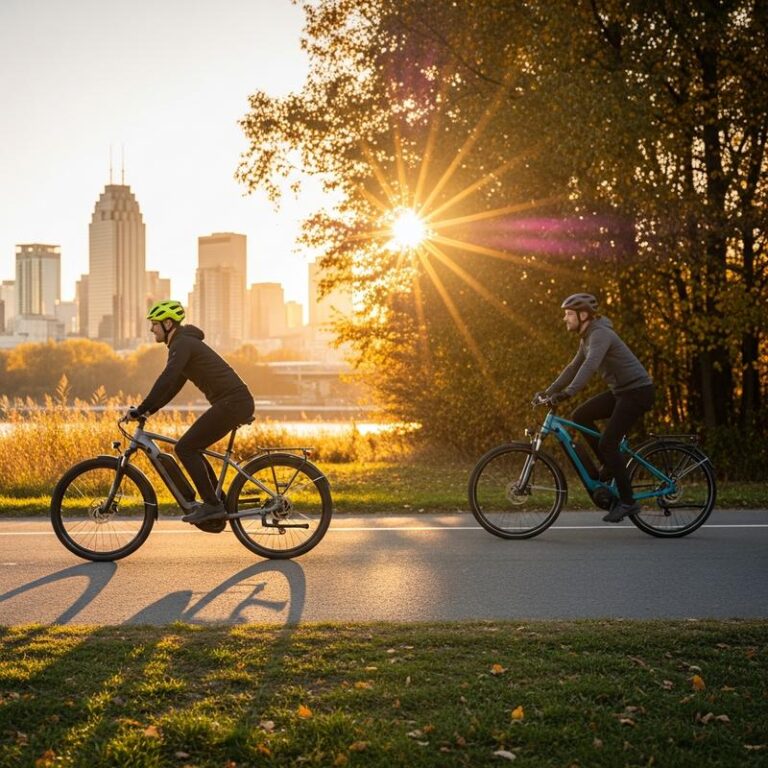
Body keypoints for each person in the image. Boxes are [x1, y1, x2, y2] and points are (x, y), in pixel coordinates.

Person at [129, 300, 255, 526]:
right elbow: (173, 385)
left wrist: (140, 408)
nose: (151, 329)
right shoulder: (183, 344)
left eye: (154, 324)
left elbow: (167, 378)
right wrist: (149, 411)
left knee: (185, 448)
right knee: (192, 447)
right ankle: (216, 501)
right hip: (232, 402)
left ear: (168, 323)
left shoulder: (182, 343)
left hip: (233, 403)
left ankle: (212, 506)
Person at [537, 293, 654, 523]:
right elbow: (573, 367)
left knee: (609, 443)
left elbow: (590, 366)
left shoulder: (600, 334)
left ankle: (628, 502)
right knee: (580, 415)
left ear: (583, 315)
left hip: (637, 392)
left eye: (569, 314)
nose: (565, 319)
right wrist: (548, 392)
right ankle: (609, 465)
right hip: (622, 391)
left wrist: (568, 392)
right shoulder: (587, 337)